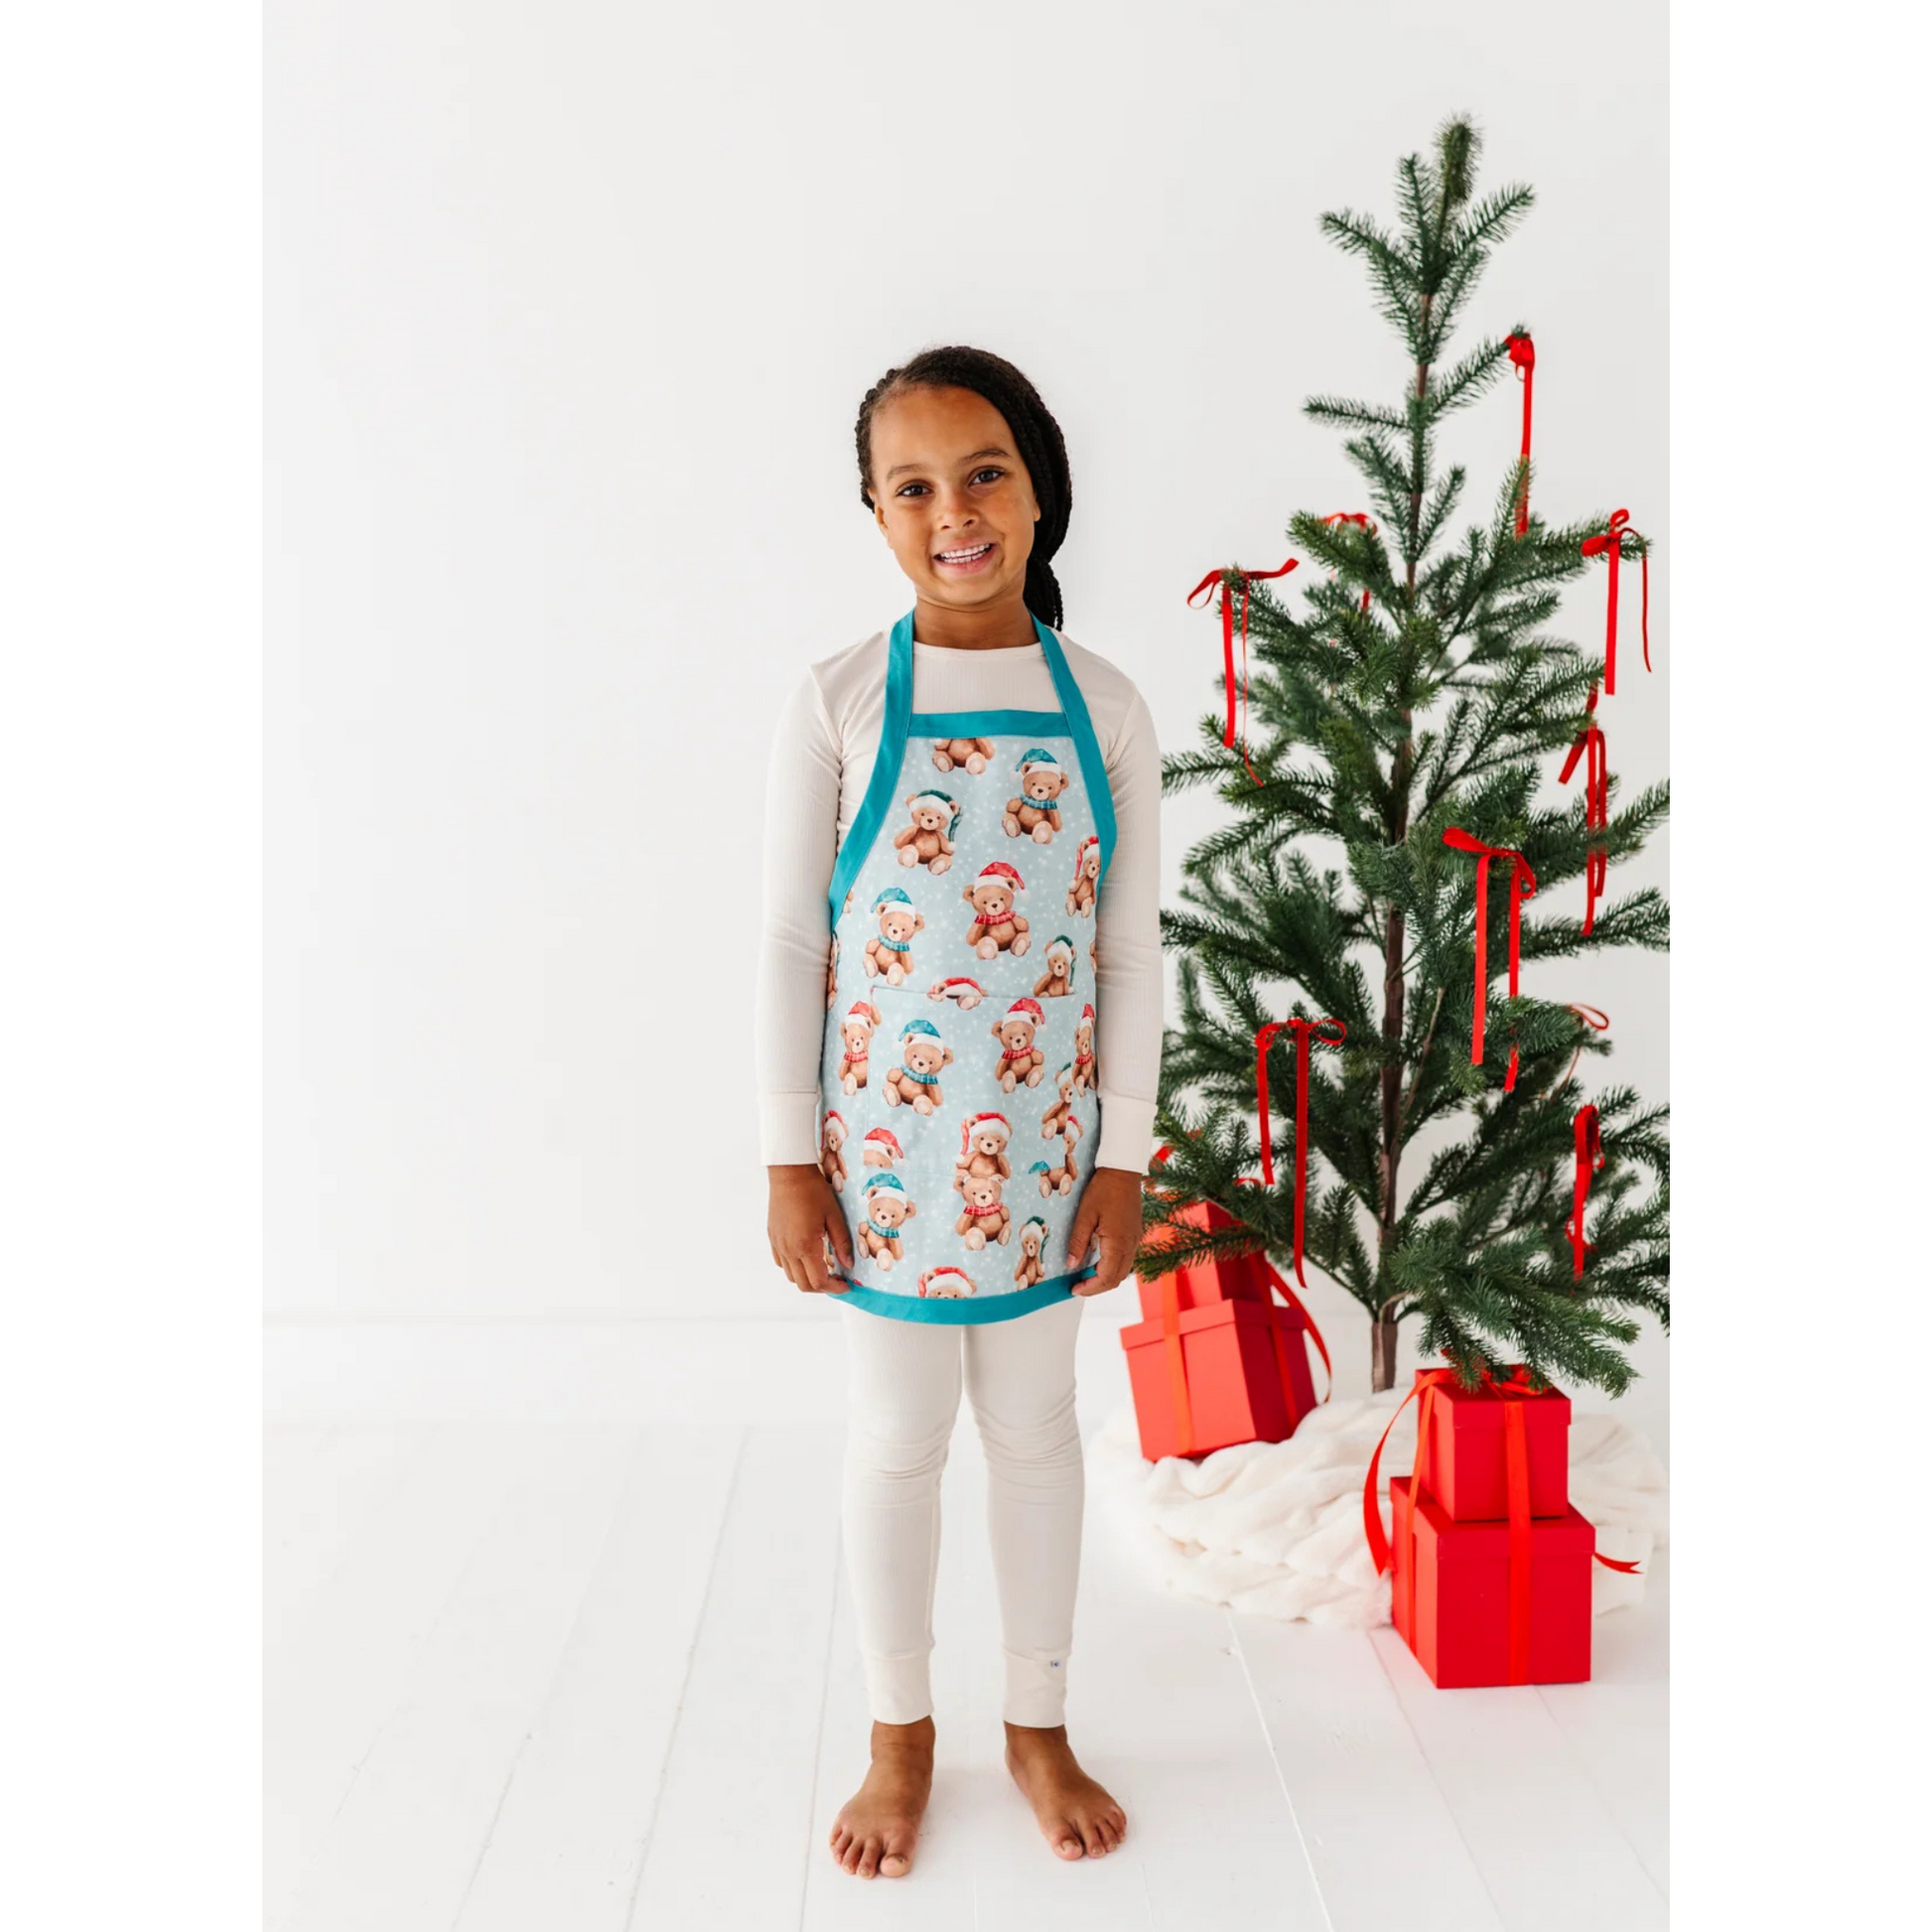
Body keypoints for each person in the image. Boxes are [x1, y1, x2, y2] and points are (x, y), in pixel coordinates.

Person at [756, 345, 1162, 1880]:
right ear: (874, 512)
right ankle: (898, 1728)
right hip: (884, 1158)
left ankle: (1038, 1719)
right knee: (896, 1437)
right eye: (912, 486)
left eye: (984, 473)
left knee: (1039, 1430)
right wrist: (788, 1156)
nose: (955, 512)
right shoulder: (838, 699)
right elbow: (790, 940)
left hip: (1047, 1155)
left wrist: (1124, 1152)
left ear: (1041, 488)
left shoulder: (1104, 704)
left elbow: (1127, 951)